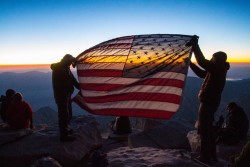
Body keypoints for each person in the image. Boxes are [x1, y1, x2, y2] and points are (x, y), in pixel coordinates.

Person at [188, 35, 230, 163]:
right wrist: (190, 64)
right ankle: (211, 155)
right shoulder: (218, 69)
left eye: (213, 57)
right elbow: (202, 74)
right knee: (208, 129)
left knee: (204, 130)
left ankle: (205, 156)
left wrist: (195, 45)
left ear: (217, 59)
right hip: (210, 102)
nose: (211, 59)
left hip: (208, 102)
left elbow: (202, 61)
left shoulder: (217, 68)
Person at [51, 54, 80, 142]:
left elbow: (73, 79)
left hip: (67, 95)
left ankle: (66, 129)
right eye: (70, 62)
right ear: (66, 61)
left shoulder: (65, 68)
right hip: (61, 96)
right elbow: (69, 80)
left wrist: (80, 87)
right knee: (63, 115)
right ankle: (64, 135)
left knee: (68, 114)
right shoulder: (59, 68)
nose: (71, 64)